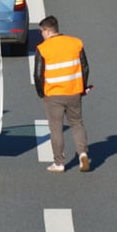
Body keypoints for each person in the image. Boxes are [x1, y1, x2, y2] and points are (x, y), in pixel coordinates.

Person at [34, 15, 91, 173]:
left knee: (56, 128)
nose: (41, 34)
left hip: (53, 94)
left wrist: (41, 93)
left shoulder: (43, 48)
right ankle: (83, 154)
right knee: (77, 123)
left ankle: (59, 163)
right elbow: (85, 67)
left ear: (47, 31)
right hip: (73, 92)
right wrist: (82, 88)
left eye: (41, 31)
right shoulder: (76, 43)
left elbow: (38, 74)